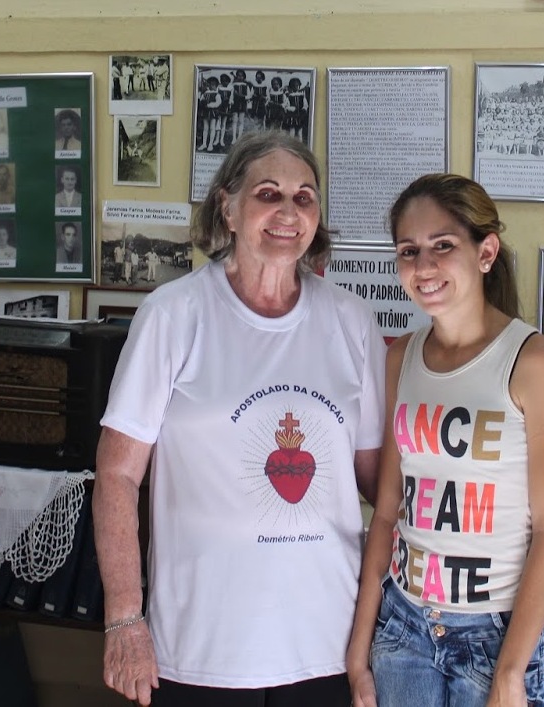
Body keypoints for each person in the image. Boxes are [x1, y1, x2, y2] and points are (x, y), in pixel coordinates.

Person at [92, 130, 386, 707]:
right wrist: (124, 619)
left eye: (304, 198)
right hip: (202, 651)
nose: (288, 211)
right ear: (227, 206)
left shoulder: (352, 322)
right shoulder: (174, 314)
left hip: (326, 645)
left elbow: (378, 485)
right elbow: (117, 476)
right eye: (269, 194)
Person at [346, 174, 544, 707]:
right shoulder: (400, 356)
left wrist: (511, 673)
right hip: (404, 628)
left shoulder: (531, 361)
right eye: (409, 251)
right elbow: (386, 514)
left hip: (494, 633)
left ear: (486, 251)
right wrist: (360, 652)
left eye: (442, 246)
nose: (423, 267)